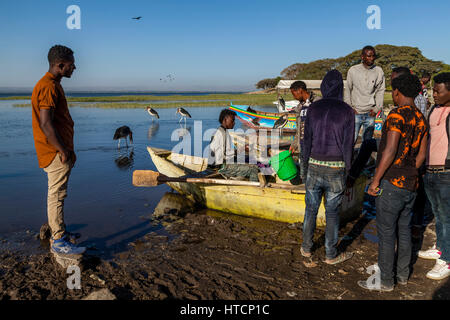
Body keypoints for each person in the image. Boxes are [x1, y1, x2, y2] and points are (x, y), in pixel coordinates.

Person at [358, 73, 428, 291]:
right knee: (404, 230)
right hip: (411, 183)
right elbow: (421, 157)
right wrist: (409, 172)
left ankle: (386, 281)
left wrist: (376, 180)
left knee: (387, 234)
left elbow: (389, 149)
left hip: (391, 183)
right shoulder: (420, 118)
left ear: (397, 92)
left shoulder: (396, 116)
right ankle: (403, 275)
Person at [31, 45, 85, 255]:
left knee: (57, 194)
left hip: (57, 150)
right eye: (71, 64)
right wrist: (62, 151)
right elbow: (46, 124)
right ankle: (59, 240)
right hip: (54, 153)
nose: (75, 67)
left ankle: (58, 231)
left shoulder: (52, 84)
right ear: (60, 65)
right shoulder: (49, 87)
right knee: (57, 195)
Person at [301, 70, 355, 265]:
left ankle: (306, 249)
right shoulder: (347, 111)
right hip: (336, 168)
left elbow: (306, 141)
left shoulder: (313, 109)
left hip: (314, 165)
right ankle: (330, 254)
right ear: (340, 88)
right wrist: (349, 171)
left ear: (323, 87)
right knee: (332, 213)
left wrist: (304, 168)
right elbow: (348, 145)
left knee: (311, 210)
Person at [419, 72, 450, 280]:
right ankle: (440, 248)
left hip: (447, 172)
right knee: (438, 214)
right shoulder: (433, 109)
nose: (434, 94)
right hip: (431, 171)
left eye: (438, 91)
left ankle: (446, 260)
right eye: (433, 90)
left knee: (447, 217)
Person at [344, 45, 385, 142]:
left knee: (366, 144)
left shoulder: (378, 71)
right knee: (351, 141)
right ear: (362, 57)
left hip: (370, 113)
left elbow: (380, 91)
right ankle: (349, 158)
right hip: (355, 113)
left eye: (373, 56)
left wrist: (376, 109)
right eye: (369, 56)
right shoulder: (353, 70)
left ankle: (364, 158)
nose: (372, 58)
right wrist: (350, 108)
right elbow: (348, 89)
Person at [208, 109, 259, 182]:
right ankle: (254, 189)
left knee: (247, 160)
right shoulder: (222, 134)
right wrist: (241, 150)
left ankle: (240, 178)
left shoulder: (222, 131)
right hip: (221, 167)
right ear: (225, 120)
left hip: (223, 162)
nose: (234, 123)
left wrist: (242, 149)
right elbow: (226, 155)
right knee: (254, 169)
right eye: (232, 121)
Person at [288, 81, 318, 181]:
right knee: (304, 176)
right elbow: (299, 129)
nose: (294, 97)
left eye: (293, 93)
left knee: (315, 176)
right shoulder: (299, 108)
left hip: (315, 147)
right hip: (303, 146)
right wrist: (294, 145)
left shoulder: (318, 102)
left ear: (300, 90)